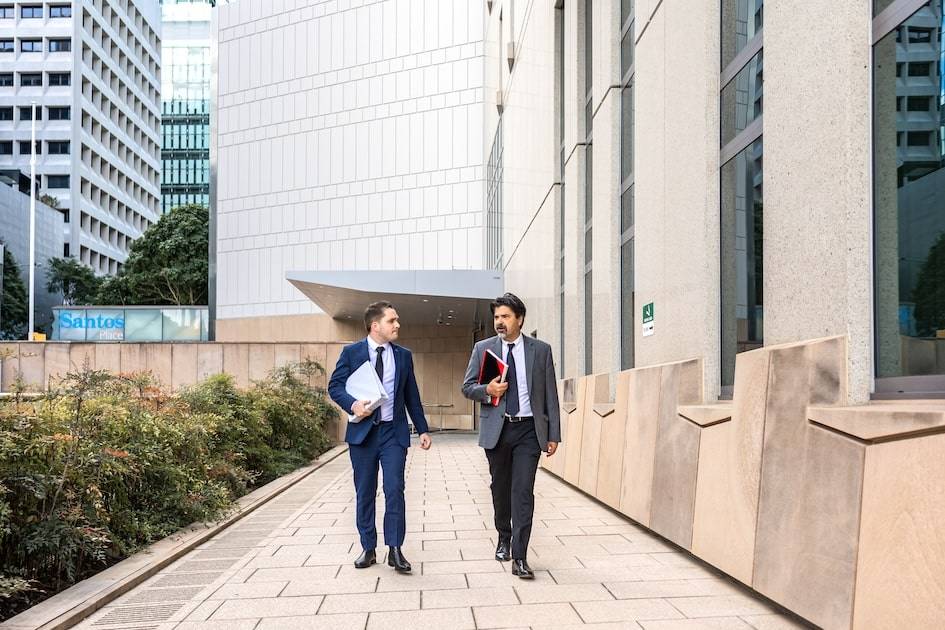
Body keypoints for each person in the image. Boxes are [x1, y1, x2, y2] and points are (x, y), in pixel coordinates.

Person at [461, 292, 561, 579]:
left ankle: (520, 556)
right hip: (498, 429)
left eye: (505, 317)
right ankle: (503, 535)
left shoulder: (540, 350)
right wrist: (487, 390)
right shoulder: (484, 349)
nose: (499, 322)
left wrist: (553, 433)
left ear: (520, 319)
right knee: (500, 489)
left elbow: (549, 395)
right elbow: (467, 387)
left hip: (529, 430)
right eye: (496, 317)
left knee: (522, 492)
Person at [329, 301, 432, 572]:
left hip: (393, 434)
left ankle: (395, 549)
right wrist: (352, 405)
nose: (397, 325)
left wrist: (422, 429)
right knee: (364, 492)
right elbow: (335, 386)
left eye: (397, 320)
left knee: (394, 489)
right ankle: (368, 547)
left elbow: (412, 395)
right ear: (375, 326)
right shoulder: (351, 353)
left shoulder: (403, 356)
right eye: (392, 321)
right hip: (363, 434)